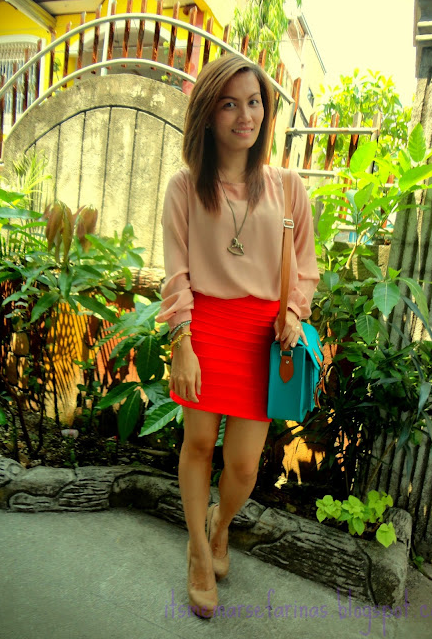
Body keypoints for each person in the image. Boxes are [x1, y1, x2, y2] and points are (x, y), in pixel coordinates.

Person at [155, 53, 319, 618]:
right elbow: (176, 272)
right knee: (199, 445)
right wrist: (182, 343)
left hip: (263, 338)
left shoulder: (287, 186)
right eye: (229, 104)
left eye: (253, 103)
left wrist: (293, 313)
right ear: (208, 113)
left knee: (245, 465)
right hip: (205, 327)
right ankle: (199, 554)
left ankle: (220, 525)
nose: (244, 116)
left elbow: (305, 267)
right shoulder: (184, 188)